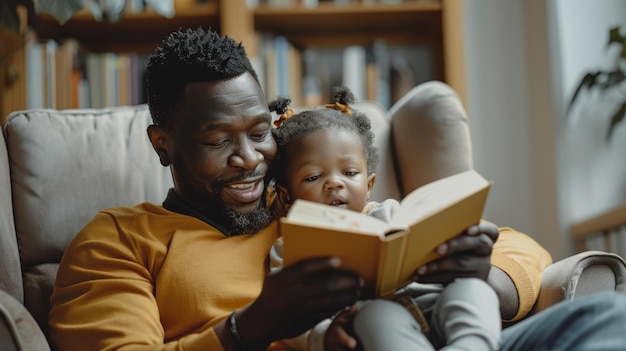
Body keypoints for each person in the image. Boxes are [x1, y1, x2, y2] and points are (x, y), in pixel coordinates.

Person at [48, 26, 626, 351]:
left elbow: (524, 250)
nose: (250, 159)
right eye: (218, 140)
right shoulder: (118, 240)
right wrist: (253, 325)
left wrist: (482, 278)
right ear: (162, 143)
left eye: (258, 133)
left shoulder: (310, 199)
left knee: (609, 319)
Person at [266, 87, 501, 351]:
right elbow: (287, 315)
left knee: (473, 288)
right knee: (374, 314)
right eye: (313, 177)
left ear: (369, 185)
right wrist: (322, 335)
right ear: (286, 198)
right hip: (377, 330)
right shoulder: (289, 247)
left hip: (435, 305)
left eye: (350, 172)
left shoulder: (391, 214)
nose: (334, 183)